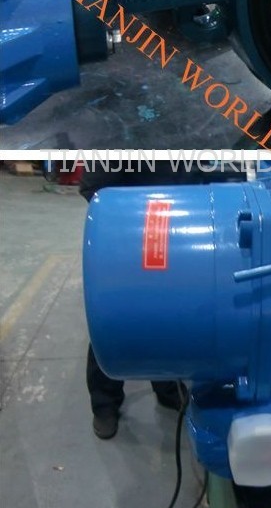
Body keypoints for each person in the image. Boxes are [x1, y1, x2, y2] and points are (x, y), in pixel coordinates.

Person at [80, 160, 246, 439]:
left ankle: (165, 384)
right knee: (115, 318)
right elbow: (94, 185)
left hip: (180, 224)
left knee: (166, 314)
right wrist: (128, 221)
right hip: (131, 229)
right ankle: (105, 403)